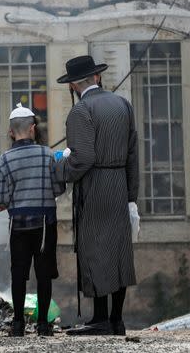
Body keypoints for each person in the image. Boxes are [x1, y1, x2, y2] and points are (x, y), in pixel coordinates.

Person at [54, 55, 139, 336]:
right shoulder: (122, 104)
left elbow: (84, 158)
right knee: (119, 251)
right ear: (97, 78)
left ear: (74, 86)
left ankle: (100, 319)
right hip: (119, 184)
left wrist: (60, 168)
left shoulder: (80, 111)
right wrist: (131, 196)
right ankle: (117, 320)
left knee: (95, 250)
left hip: (96, 185)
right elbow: (132, 156)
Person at [0, 104, 65, 337]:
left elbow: (3, 197)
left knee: (19, 274)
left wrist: (9, 200)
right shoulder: (49, 154)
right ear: (33, 128)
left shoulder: (4, 160)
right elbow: (58, 188)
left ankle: (17, 325)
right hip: (45, 223)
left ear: (11, 132)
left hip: (19, 225)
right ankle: (43, 324)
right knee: (44, 273)